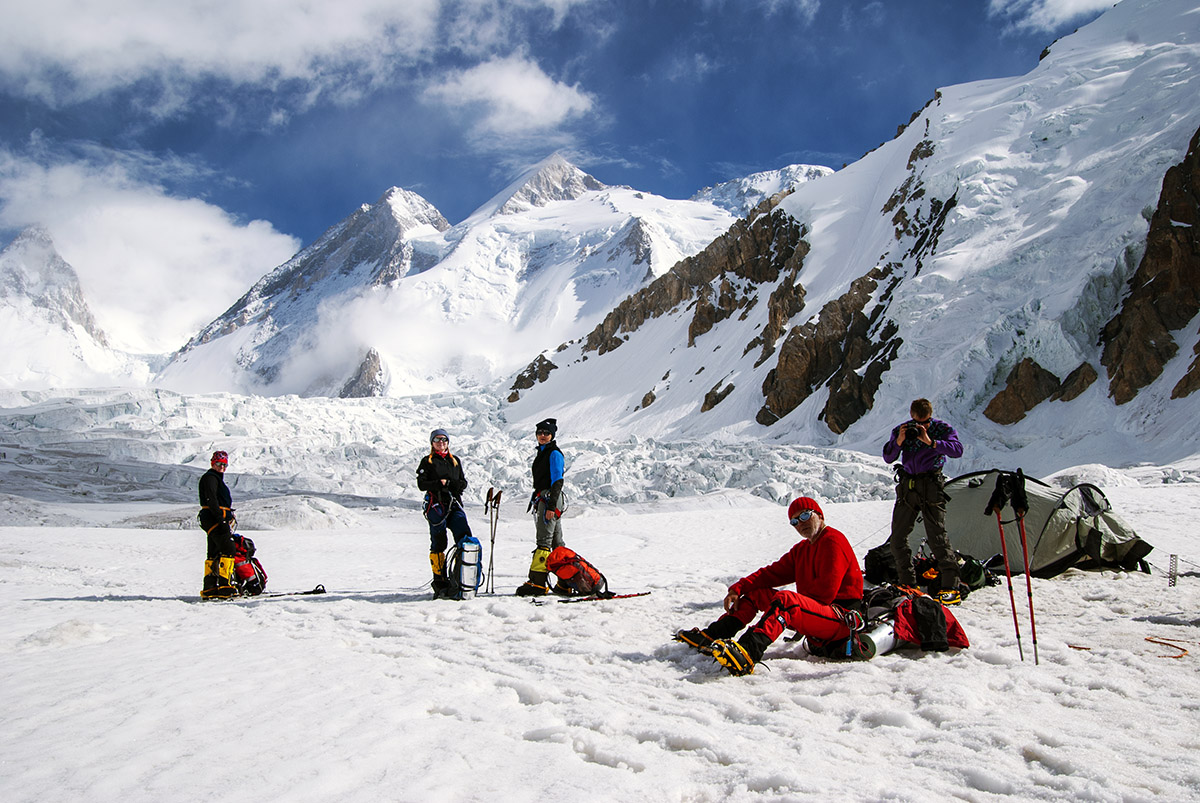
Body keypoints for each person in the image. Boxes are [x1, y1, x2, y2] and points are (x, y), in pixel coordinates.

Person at [673, 497, 865, 676]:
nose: (800, 524)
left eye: (805, 515)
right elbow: (770, 574)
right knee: (757, 595)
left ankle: (747, 652)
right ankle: (713, 636)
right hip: (816, 613)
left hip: (840, 619)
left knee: (785, 601)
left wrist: (795, 607)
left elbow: (825, 593)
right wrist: (737, 589)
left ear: (820, 515)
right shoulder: (802, 549)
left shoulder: (833, 540)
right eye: (794, 521)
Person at [882, 397, 966, 604]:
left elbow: (957, 450)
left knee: (937, 536)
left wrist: (931, 442)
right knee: (898, 537)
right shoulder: (901, 430)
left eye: (925, 422)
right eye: (917, 422)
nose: (921, 427)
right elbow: (888, 456)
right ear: (911, 416)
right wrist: (899, 441)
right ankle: (907, 583)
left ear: (930, 416)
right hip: (908, 487)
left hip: (931, 485)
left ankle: (950, 587)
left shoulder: (941, 429)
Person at [416, 428, 473, 599]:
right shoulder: (427, 461)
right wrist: (439, 484)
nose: (441, 443)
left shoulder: (455, 461)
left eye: (444, 440)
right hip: (436, 505)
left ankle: (461, 577)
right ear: (432, 443)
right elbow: (422, 484)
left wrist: (450, 484)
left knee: (464, 538)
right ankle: (440, 582)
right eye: (437, 440)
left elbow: (462, 483)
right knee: (438, 543)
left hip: (454, 504)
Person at [517, 417, 567, 596]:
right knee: (557, 543)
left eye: (546, 433)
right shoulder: (544, 452)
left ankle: (537, 583)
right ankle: (565, 582)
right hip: (547, 499)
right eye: (540, 433)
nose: (543, 435)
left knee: (544, 542)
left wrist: (551, 506)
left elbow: (557, 480)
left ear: (552, 435)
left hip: (549, 500)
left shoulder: (553, 453)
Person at [198, 450, 238, 600]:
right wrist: (221, 519)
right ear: (212, 463)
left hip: (212, 519)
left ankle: (210, 588)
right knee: (228, 549)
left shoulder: (213, 478)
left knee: (214, 552)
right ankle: (225, 587)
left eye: (224, 465)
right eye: (219, 464)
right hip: (214, 519)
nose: (222, 467)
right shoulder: (211, 478)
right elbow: (212, 500)